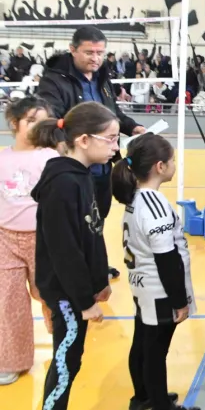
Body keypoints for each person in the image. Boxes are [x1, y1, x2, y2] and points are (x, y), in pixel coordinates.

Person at [37, 26, 147, 280]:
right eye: (89, 52)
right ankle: (76, 272)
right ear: (72, 49)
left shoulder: (102, 79)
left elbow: (114, 114)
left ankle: (96, 265)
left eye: (100, 52)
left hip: (103, 166)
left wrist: (133, 127)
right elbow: (50, 119)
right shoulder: (54, 81)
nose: (95, 58)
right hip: (74, 167)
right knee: (73, 224)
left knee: (97, 220)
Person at [30, 102, 120, 410]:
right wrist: (84, 301)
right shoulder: (63, 184)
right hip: (67, 296)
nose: (116, 146)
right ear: (84, 140)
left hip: (78, 291)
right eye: (110, 138)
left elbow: (92, 232)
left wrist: (100, 280)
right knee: (65, 364)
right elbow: (64, 251)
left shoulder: (82, 175)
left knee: (70, 360)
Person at [111, 134, 198, 410]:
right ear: (160, 166)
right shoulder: (154, 205)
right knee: (155, 352)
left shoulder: (136, 199)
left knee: (144, 344)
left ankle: (144, 395)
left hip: (143, 287)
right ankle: (158, 403)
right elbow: (166, 258)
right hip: (159, 290)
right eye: (172, 160)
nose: (175, 164)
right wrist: (179, 301)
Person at [0, 97, 57, 386]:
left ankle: (62, 341)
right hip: (5, 239)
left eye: (44, 119)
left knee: (48, 295)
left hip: (42, 239)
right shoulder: (2, 157)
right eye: (32, 119)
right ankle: (12, 360)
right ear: (15, 123)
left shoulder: (50, 158)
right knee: (8, 302)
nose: (39, 125)